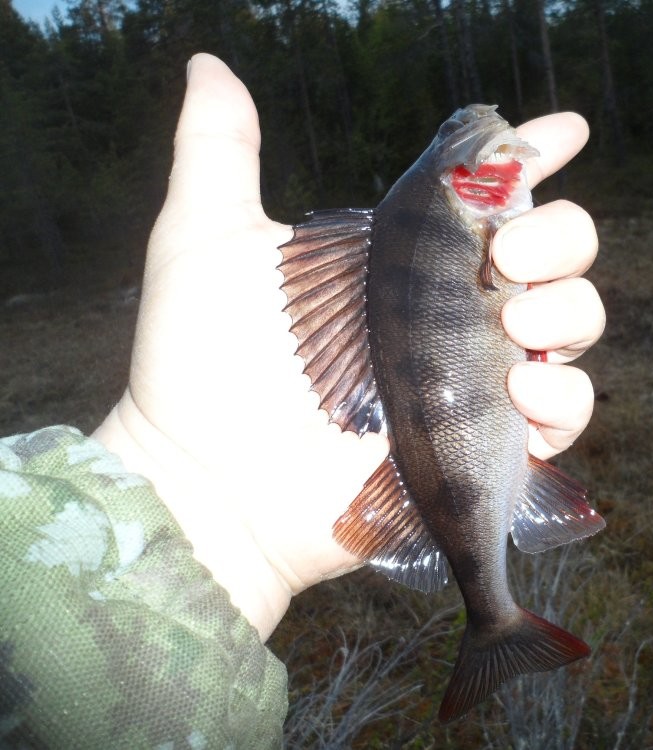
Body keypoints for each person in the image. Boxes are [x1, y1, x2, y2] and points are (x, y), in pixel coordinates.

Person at [0, 53, 605, 748]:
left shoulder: (456, 212)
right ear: (467, 179)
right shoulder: (448, 206)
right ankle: (493, 617)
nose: (471, 130)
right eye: (453, 135)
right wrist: (173, 474)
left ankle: (492, 611)